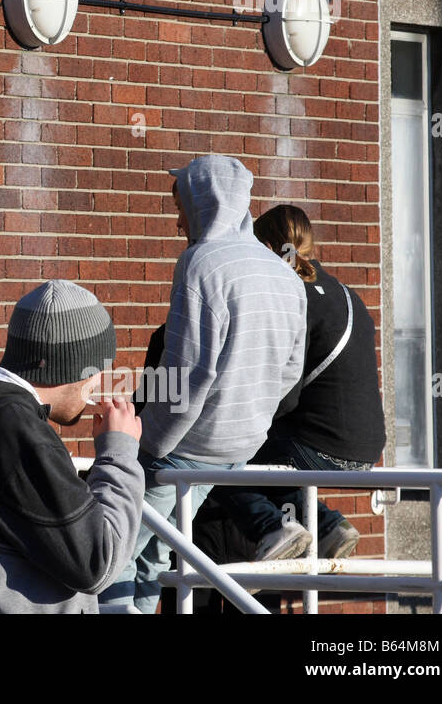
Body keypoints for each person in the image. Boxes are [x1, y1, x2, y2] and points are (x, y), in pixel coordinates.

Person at [101, 155, 307, 612]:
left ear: (202, 203)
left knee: (110, 558)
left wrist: (147, 444)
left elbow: (187, 374)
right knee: (155, 555)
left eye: (181, 207)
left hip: (183, 445)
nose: (177, 222)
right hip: (238, 449)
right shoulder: (283, 274)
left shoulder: (200, 265)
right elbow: (289, 372)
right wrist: (246, 416)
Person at [0, 279, 145, 613]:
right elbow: (98, 561)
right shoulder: (16, 435)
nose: (99, 385)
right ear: (75, 365)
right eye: (100, 370)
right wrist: (119, 453)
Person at [207, 205, 385, 560]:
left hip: (320, 447)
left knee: (219, 459)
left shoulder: (292, 298)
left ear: (269, 249)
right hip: (366, 452)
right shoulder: (347, 294)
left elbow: (285, 396)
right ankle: (329, 527)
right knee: (272, 468)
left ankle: (272, 530)